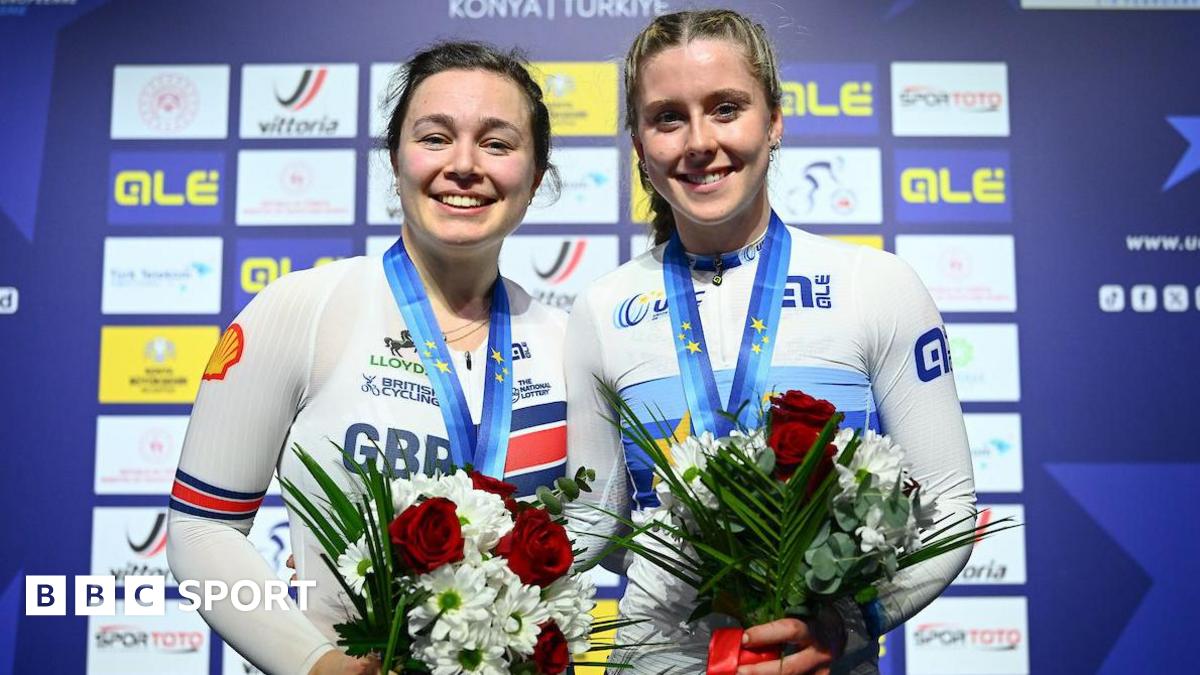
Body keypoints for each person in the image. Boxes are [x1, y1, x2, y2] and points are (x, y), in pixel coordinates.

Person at [564, 9, 976, 675]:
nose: (699, 141)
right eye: (668, 117)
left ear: (775, 119)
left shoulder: (880, 285)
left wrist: (846, 620)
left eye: (726, 107)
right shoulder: (602, 309)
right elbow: (593, 526)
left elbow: (949, 509)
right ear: (638, 145)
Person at [167, 41, 568, 675]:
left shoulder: (569, 345)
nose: (464, 165)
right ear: (395, 158)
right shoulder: (300, 310)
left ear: (537, 176)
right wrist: (315, 663)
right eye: (435, 137)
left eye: (497, 143)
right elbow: (199, 535)